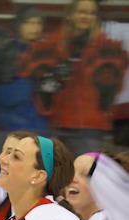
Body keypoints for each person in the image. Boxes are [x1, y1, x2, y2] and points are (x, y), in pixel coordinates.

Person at [19, 0, 128, 156]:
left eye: (91, 13)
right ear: (70, 14)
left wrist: (104, 77)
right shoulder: (53, 44)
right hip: (56, 125)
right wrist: (50, 78)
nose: (86, 16)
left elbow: (115, 86)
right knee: (58, 178)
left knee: (85, 178)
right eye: (82, 11)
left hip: (90, 128)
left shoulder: (108, 47)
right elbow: (35, 79)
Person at [0, 5, 48, 151]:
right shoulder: (7, 52)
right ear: (19, 25)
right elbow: (3, 96)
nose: (34, 27)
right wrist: (32, 82)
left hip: (38, 128)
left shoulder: (48, 52)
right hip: (10, 128)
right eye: (29, 22)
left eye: (38, 23)